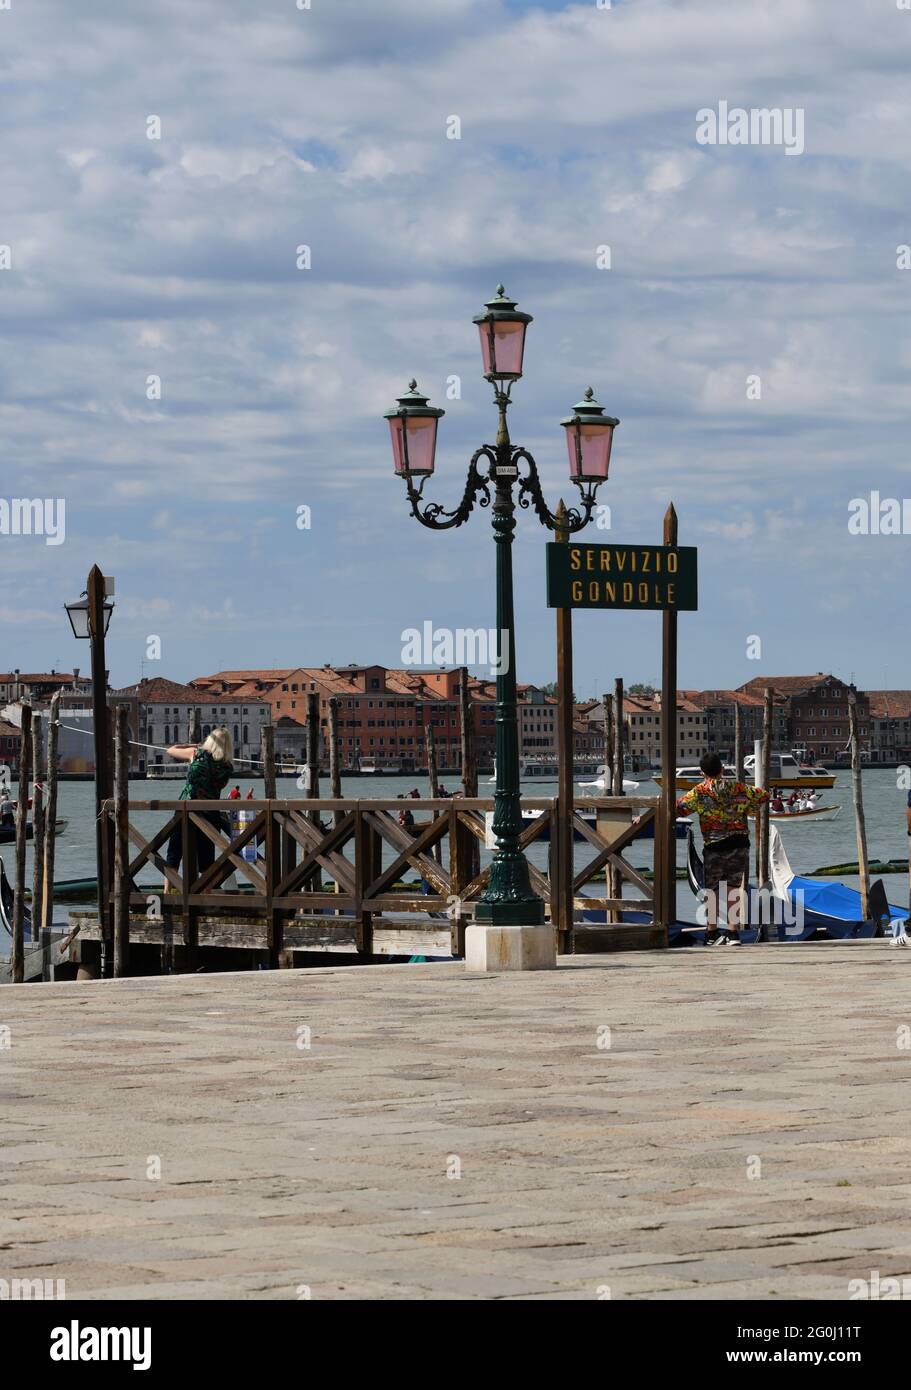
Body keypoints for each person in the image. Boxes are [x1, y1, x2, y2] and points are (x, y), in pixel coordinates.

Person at [676, 752, 769, 945]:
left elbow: (679, 808)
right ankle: (733, 933)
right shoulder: (738, 788)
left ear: (703, 773)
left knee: (712, 889)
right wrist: (745, 806)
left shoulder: (699, 792)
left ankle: (711, 932)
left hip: (714, 845)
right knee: (734, 888)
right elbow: (763, 796)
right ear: (722, 769)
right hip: (739, 843)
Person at [164, 730, 234, 879]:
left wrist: (193, 745)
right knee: (206, 860)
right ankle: (205, 892)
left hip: (185, 808)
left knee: (174, 854)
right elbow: (219, 787)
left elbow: (170, 751)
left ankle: (167, 891)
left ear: (209, 740)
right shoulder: (227, 767)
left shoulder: (196, 754)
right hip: (210, 813)